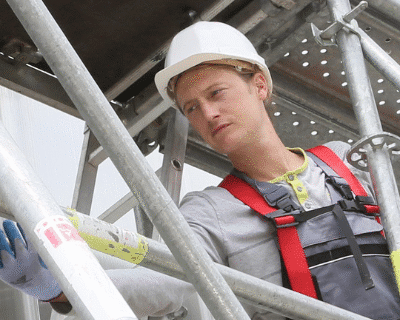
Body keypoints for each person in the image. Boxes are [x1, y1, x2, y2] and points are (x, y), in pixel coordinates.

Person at [0, 21, 399, 320]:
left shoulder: (349, 159)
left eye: (216, 93)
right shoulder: (208, 212)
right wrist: (62, 289)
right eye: (190, 107)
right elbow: (163, 285)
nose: (207, 113)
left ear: (259, 85)